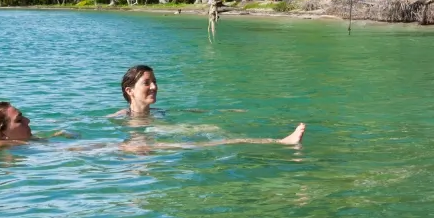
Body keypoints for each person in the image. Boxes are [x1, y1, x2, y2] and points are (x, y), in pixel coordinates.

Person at [110, 65, 306, 145]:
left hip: (163, 133)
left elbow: (189, 111)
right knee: (209, 141)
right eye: (147, 83)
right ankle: (280, 142)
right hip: (145, 145)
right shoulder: (121, 117)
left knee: (213, 128)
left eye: (155, 81)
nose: (154, 86)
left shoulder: (159, 112)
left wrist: (226, 111)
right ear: (130, 91)